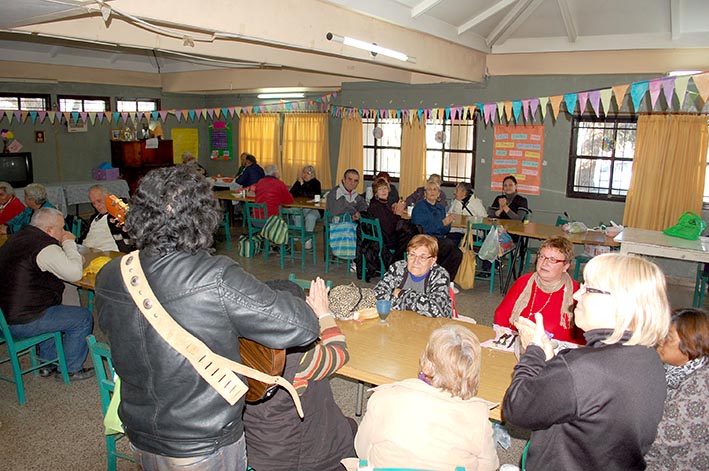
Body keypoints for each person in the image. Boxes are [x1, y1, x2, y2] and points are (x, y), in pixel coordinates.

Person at [95, 165, 319, 471]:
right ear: (202, 215)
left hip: (140, 431)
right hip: (204, 439)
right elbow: (302, 327)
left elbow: (117, 334)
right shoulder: (215, 276)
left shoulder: (111, 274)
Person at [503, 253, 670, 471]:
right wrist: (551, 359)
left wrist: (533, 351)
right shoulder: (648, 358)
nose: (577, 294)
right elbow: (584, 398)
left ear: (618, 302)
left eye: (589, 289)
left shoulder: (584, 369)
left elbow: (516, 408)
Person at [243, 278, 357, 471]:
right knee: (349, 429)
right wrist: (324, 313)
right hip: (296, 455)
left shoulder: (238, 341)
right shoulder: (299, 356)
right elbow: (339, 353)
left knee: (349, 424)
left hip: (258, 445)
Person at [352, 325, 498, 471]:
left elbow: (362, 449)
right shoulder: (478, 417)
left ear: (427, 365)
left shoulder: (383, 397)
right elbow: (489, 466)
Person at [0, 207, 94, 380]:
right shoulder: (44, 247)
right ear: (49, 230)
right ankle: (72, 369)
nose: (64, 231)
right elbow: (74, 273)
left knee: (51, 307)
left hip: (5, 318)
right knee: (83, 317)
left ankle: (47, 364)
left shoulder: (18, 238)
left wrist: (69, 257)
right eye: (62, 228)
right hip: (22, 321)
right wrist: (68, 243)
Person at [645, 308, 709, 471]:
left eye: (668, 337)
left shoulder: (702, 389)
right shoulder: (674, 369)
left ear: (691, 345)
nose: (660, 340)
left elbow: (660, 435)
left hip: (674, 463)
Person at [493, 237, 583, 344]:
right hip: (518, 342)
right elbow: (501, 315)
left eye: (552, 260)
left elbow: (582, 335)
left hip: (558, 352)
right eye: (542, 256)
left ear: (565, 267)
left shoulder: (576, 293)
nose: (544, 263)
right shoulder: (524, 282)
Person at [373, 234, 451, 318]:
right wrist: (419, 306)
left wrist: (401, 293)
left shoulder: (440, 275)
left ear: (433, 260)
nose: (416, 261)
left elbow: (435, 309)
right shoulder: (398, 268)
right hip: (400, 322)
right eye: (412, 255)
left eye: (423, 257)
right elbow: (377, 295)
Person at [410, 180, 462, 283]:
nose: (432, 192)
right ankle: (434, 278)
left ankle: (447, 281)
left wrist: (447, 223)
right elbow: (423, 228)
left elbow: (445, 230)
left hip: (438, 238)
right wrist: (442, 223)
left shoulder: (441, 208)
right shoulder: (420, 206)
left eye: (435, 190)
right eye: (429, 189)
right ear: (425, 193)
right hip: (423, 239)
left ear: (439, 194)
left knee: (457, 253)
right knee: (447, 245)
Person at [366, 177, 415, 260]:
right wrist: (398, 214)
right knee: (410, 234)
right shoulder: (376, 206)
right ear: (376, 193)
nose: (384, 191)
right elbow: (389, 229)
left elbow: (389, 221)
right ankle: (395, 260)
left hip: (384, 236)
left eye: (385, 188)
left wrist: (394, 212)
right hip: (383, 240)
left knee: (413, 229)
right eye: (380, 189)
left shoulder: (382, 204)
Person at [78, 184, 133, 252]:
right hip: (86, 251)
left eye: (99, 201)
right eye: (93, 203)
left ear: (108, 197)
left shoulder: (119, 212)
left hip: (108, 254)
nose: (96, 206)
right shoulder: (95, 217)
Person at [290, 165, 322, 248]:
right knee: (296, 214)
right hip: (302, 207)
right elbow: (291, 194)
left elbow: (311, 195)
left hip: (314, 209)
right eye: (304, 172)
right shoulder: (299, 181)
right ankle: (298, 235)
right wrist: (299, 184)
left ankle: (308, 240)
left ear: (312, 174)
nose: (305, 175)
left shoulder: (316, 183)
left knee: (310, 217)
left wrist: (302, 185)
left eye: (308, 173)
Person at [447, 182, 487, 246]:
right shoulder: (455, 201)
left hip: (473, 232)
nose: (454, 193)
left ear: (464, 192)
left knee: (465, 245)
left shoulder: (476, 203)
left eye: (457, 190)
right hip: (457, 229)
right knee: (450, 242)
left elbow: (485, 218)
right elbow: (449, 214)